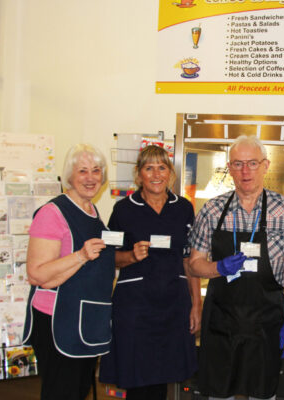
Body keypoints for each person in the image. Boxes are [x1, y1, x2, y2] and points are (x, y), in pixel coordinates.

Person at [188, 135, 284, 400]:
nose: (245, 171)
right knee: (219, 393)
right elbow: (194, 265)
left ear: (266, 165)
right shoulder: (213, 210)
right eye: (238, 164)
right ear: (229, 167)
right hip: (221, 321)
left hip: (267, 322)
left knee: (262, 393)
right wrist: (219, 267)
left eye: (252, 163)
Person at [98, 145, 201, 399]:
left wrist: (196, 305)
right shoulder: (123, 209)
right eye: (149, 168)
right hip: (136, 309)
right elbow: (107, 257)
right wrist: (131, 256)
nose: (156, 175)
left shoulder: (183, 208)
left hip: (173, 306)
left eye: (162, 168)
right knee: (137, 377)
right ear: (139, 174)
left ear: (170, 173)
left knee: (163, 377)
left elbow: (190, 260)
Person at [23, 143, 114, 400]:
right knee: (61, 392)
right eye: (82, 171)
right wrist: (81, 256)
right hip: (59, 321)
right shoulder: (52, 213)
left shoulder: (92, 211)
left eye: (96, 170)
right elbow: (37, 274)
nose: (90, 178)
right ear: (69, 177)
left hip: (87, 321)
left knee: (79, 390)